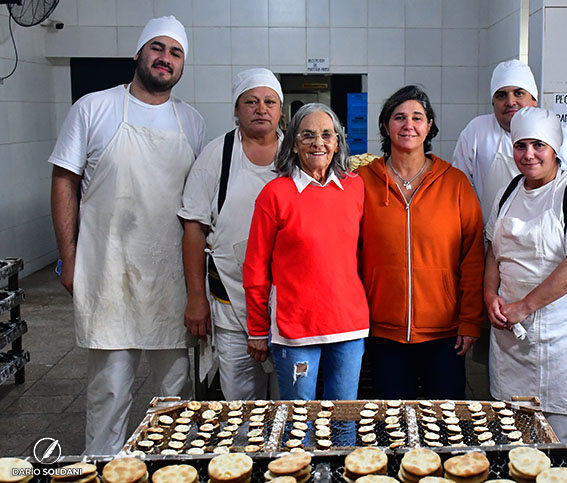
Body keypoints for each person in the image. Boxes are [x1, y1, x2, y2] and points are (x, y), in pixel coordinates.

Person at [49, 16, 205, 454]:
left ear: (182, 66)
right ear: (138, 53)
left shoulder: (190, 121)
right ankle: (101, 466)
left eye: (176, 53)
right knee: (109, 390)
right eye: (158, 48)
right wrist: (70, 255)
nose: (165, 59)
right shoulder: (93, 107)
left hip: (169, 278)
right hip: (108, 271)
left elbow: (196, 205)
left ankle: (172, 468)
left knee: (173, 395)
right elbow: (64, 182)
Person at [483, 107, 567, 449]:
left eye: (538, 145)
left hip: (562, 339)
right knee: (512, 435)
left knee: (563, 439)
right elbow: (494, 250)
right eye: (521, 146)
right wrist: (490, 295)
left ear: (554, 149)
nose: (529, 154)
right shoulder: (508, 192)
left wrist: (525, 306)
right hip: (511, 338)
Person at [357, 85, 484, 399]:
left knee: (444, 424)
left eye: (417, 117)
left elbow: (472, 256)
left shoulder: (455, 183)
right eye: (398, 117)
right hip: (382, 330)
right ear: (386, 126)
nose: (408, 125)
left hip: (444, 333)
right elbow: (348, 252)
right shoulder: (362, 183)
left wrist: (469, 321)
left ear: (429, 127)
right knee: (391, 424)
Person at [243, 103, 369, 401]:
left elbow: (362, 254)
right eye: (307, 135)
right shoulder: (275, 193)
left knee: (344, 416)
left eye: (327, 134)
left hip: (348, 325)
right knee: (298, 420)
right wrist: (258, 329)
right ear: (293, 144)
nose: (318, 142)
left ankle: (343, 452)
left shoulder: (355, 188)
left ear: (338, 143)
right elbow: (255, 267)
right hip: (295, 328)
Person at [178, 68, 283, 401]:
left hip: (287, 303)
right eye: (250, 101)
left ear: (281, 110)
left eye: (269, 101)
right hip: (230, 297)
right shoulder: (217, 155)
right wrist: (196, 296)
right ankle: (243, 453)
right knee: (239, 400)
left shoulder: (298, 155)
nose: (261, 109)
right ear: (236, 110)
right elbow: (194, 228)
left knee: (290, 401)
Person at [453, 59, 567, 222]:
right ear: (493, 103)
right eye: (501, 95)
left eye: (519, 93)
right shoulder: (478, 131)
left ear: (534, 100)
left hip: (555, 242)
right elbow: (457, 188)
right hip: (496, 237)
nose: (510, 102)